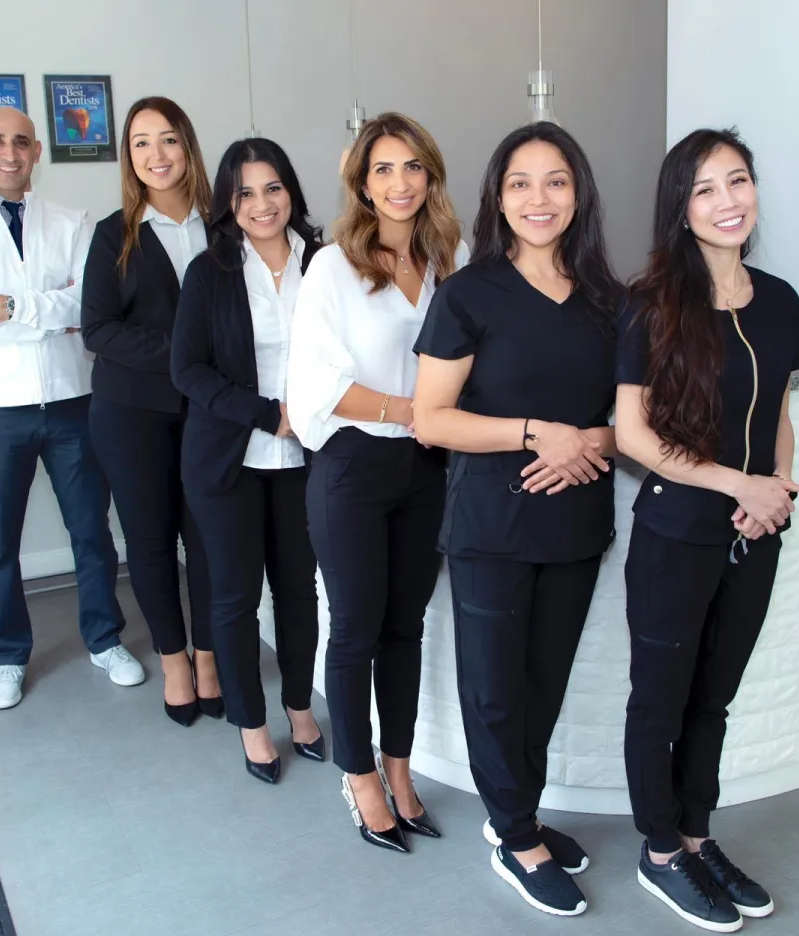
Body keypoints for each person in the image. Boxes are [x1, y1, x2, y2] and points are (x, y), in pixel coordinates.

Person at [413, 122, 621, 915]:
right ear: (498, 198)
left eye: (556, 181)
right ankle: (513, 835)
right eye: (521, 183)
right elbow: (431, 419)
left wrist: (590, 441)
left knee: (543, 684)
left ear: (579, 194)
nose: (540, 198)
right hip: (491, 528)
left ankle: (517, 815)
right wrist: (536, 433)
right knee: (497, 691)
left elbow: (631, 417)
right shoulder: (469, 294)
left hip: (576, 523)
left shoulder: (609, 300)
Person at [615, 128, 799, 933]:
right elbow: (631, 434)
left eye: (738, 181)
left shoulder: (781, 300)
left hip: (754, 534)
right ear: (681, 208)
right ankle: (661, 853)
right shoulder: (652, 304)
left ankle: (697, 837)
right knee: (660, 701)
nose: (727, 201)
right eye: (705, 189)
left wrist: (776, 491)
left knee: (713, 699)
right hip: (676, 533)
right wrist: (738, 484)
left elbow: (780, 413)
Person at [287, 112, 468, 851]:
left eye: (413, 167)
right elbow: (316, 387)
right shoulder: (332, 267)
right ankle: (358, 776)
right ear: (362, 182)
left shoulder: (453, 257)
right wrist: (414, 411)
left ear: (431, 175)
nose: (400, 183)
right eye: (383, 169)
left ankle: (400, 768)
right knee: (356, 628)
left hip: (428, 469)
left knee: (406, 627)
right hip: (354, 468)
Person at [0, 107, 143, 710]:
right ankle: (9, 656)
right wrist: (48, 311)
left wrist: (6, 308)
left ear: (37, 151)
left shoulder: (73, 223)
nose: (10, 152)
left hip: (72, 399)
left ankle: (104, 640)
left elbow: (87, 310)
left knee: (91, 531)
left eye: (21, 142)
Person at [172, 138, 325, 781]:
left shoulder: (325, 262)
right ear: (228, 203)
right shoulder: (209, 271)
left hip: (307, 461)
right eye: (246, 193)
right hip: (228, 461)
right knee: (235, 598)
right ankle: (252, 724)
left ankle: (299, 707)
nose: (263, 204)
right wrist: (268, 414)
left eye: (273, 188)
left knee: (298, 592)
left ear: (291, 191)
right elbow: (187, 369)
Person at [81, 96, 216, 727]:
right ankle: (174, 662)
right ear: (128, 157)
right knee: (151, 540)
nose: (156, 155)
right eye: (140, 143)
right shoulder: (115, 233)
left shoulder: (226, 226)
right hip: (131, 412)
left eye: (167, 139)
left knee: (210, 537)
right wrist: (185, 355)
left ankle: (209, 658)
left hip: (209, 413)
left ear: (187, 146)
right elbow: (98, 329)